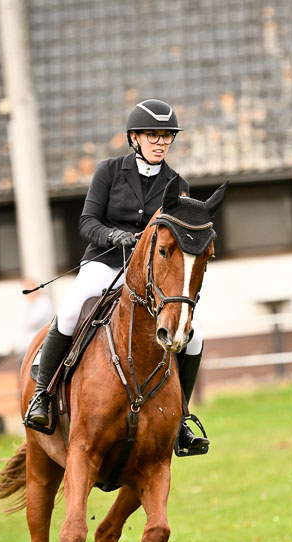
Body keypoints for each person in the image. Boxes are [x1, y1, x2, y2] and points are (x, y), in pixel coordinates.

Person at [24, 99, 209, 455]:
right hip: (105, 263)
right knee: (70, 310)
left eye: (167, 137)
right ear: (134, 137)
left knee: (195, 336)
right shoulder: (109, 171)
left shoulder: (178, 184)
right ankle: (42, 397)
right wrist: (117, 237)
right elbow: (87, 223)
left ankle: (182, 419)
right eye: (153, 135)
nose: (160, 143)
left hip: (150, 274)